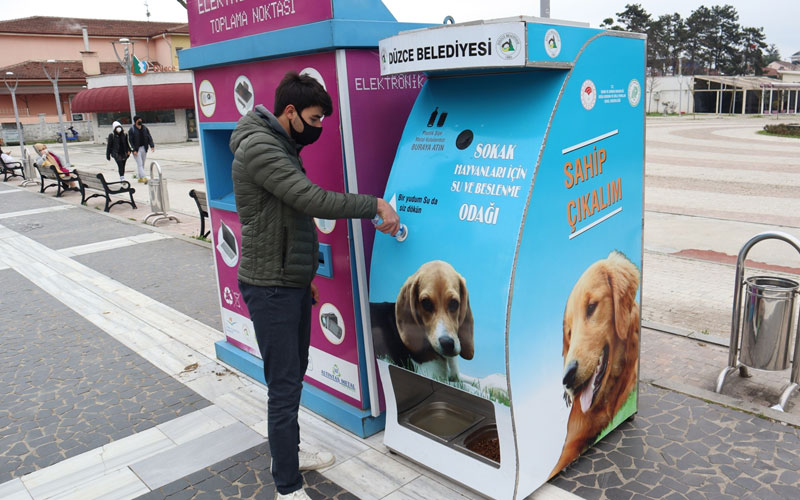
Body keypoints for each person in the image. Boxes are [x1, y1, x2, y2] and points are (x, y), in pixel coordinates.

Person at [230, 71, 400, 500]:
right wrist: (373, 204)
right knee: (284, 388)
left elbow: (287, 220)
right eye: (314, 117)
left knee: (292, 378)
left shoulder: (279, 143)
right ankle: (288, 487)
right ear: (289, 112)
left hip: (285, 282)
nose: (319, 126)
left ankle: (286, 455)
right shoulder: (262, 148)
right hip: (269, 286)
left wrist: (303, 280)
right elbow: (310, 200)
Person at [128, 115, 155, 183]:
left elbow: (149, 137)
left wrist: (152, 145)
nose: (140, 121)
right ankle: (144, 177)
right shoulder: (132, 130)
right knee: (139, 163)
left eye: (141, 120)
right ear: (135, 121)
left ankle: (140, 177)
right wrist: (133, 150)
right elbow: (130, 141)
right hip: (137, 149)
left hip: (144, 148)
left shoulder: (145, 128)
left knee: (142, 163)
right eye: (138, 120)